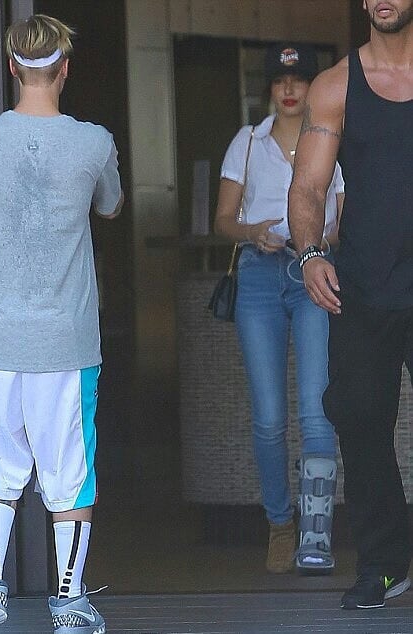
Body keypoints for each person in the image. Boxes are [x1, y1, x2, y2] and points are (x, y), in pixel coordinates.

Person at [0, 14, 123, 634]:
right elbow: (111, 203)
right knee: (70, 471)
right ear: (64, 68)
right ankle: (68, 603)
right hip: (67, 340)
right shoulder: (94, 141)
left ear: (14, 67)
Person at [288, 0, 412, 610]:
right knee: (359, 417)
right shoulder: (336, 85)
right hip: (363, 286)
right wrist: (311, 253)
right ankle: (387, 564)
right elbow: (309, 186)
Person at [214, 43, 344, 575]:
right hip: (262, 275)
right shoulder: (247, 142)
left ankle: (317, 535)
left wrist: (320, 240)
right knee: (268, 416)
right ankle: (279, 525)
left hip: (314, 271)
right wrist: (254, 233)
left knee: (317, 409)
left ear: (314, 86)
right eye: (280, 80)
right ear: (269, 88)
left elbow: (339, 220)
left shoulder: (333, 140)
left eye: (299, 79)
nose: (290, 89)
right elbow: (222, 219)